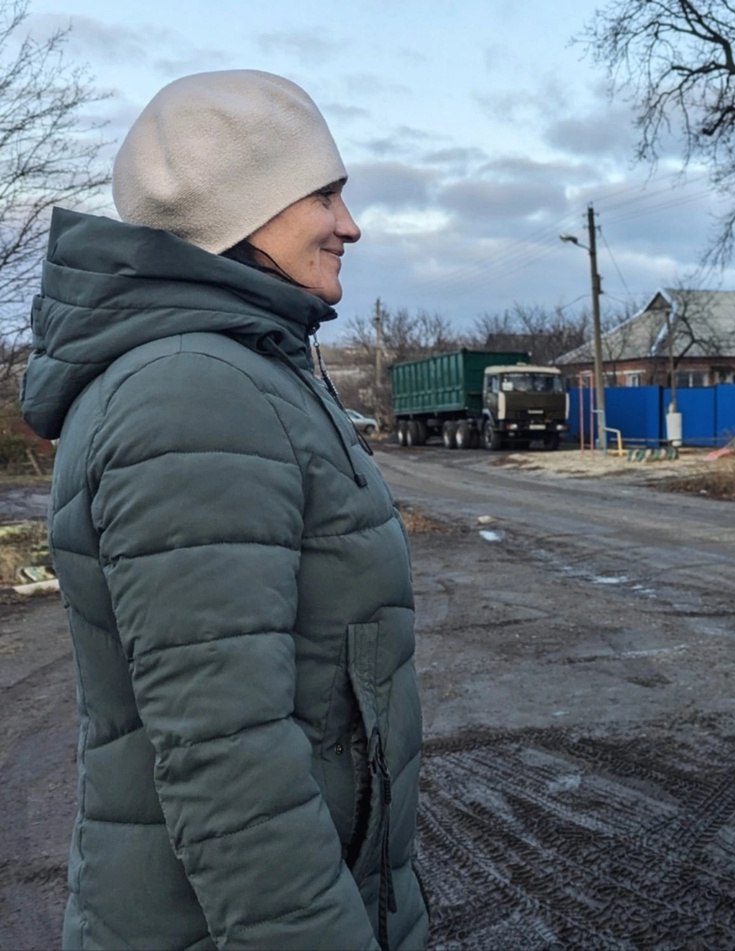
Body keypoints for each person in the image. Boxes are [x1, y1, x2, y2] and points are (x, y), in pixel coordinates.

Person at [21, 70, 429, 949]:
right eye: (325, 194)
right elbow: (228, 759)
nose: (350, 224)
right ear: (242, 207)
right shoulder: (191, 390)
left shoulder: (244, 368)